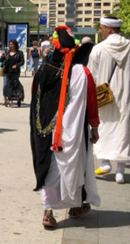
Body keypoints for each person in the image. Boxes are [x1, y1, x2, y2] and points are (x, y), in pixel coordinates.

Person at [30, 25, 100, 229]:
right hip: (75, 132)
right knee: (75, 166)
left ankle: (48, 211)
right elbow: (92, 103)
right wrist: (94, 127)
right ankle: (75, 205)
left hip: (45, 131)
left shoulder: (43, 70)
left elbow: (35, 104)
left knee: (51, 167)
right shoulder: (82, 72)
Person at [88, 16, 130, 184]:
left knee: (104, 126)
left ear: (109, 29)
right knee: (124, 129)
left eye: (101, 27)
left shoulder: (98, 49)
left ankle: (105, 162)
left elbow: (92, 75)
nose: (99, 30)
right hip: (126, 96)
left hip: (104, 96)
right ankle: (120, 171)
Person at [0, 39, 25, 107]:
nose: (10, 46)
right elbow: (1, 60)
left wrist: (16, 65)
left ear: (15, 45)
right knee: (5, 85)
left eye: (12, 44)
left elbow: (22, 62)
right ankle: (5, 97)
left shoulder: (19, 53)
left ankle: (11, 99)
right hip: (7, 71)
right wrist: (2, 57)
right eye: (10, 44)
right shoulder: (7, 52)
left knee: (13, 85)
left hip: (15, 72)